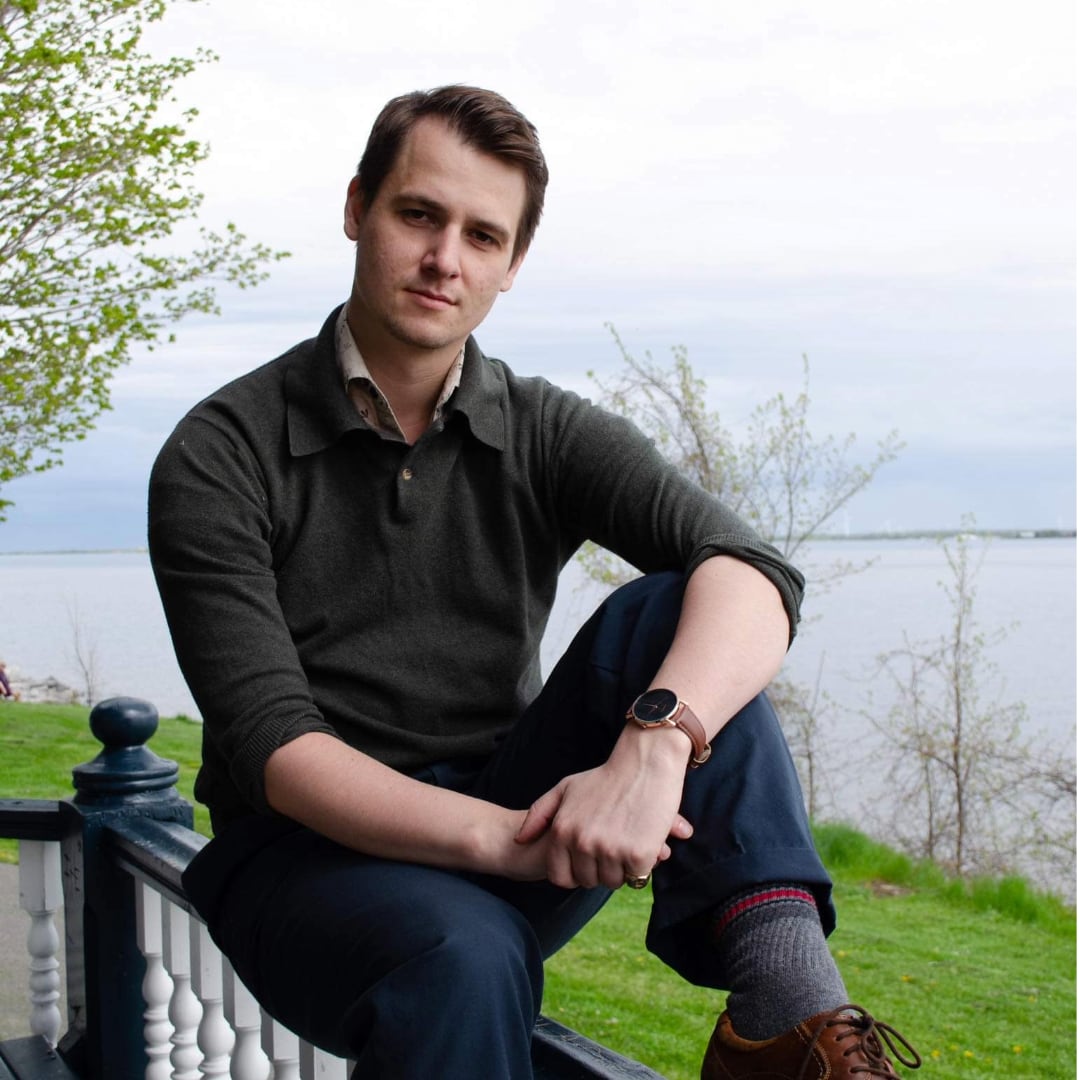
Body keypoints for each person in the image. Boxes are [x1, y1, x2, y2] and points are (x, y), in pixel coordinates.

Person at [148, 85, 920, 1079]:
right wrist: (510, 840)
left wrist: (653, 741)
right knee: (463, 954)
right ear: (356, 209)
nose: (444, 260)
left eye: (482, 235)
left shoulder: (541, 428)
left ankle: (787, 1029)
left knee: (676, 602)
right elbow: (276, 750)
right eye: (418, 215)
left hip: (514, 806)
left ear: (510, 265)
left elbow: (757, 572)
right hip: (303, 864)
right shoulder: (222, 452)